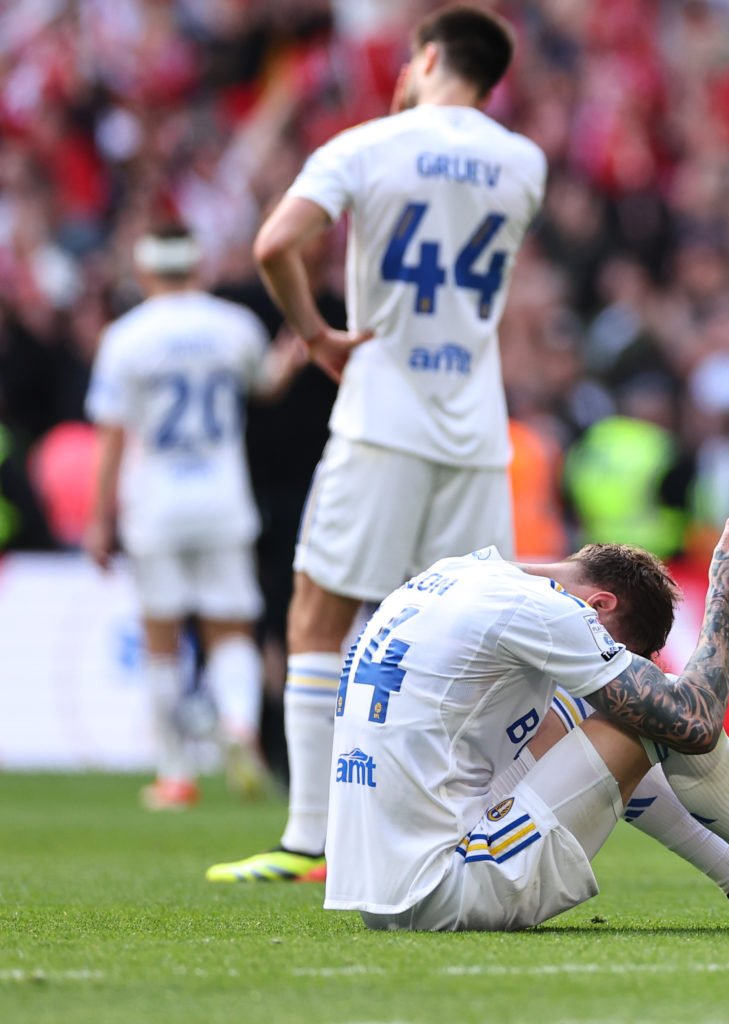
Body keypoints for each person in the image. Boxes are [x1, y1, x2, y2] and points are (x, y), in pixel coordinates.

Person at [208, 6, 546, 881]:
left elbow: (276, 242)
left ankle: (310, 841)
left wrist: (315, 331)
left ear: (427, 58)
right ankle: (475, 826)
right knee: (470, 632)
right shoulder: (524, 161)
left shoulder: (365, 145)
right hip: (474, 427)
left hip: (381, 417)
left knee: (319, 610)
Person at [324, 522, 729, 931]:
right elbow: (693, 724)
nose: (604, 656)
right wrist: (722, 598)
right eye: (611, 644)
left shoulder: (456, 576)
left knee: (592, 710)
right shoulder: (541, 609)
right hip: (448, 886)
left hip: (383, 891)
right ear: (599, 606)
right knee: (651, 717)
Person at [84, 223, 303, 810]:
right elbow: (266, 386)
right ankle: (238, 727)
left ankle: (175, 771)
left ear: (146, 268)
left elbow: (112, 433)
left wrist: (98, 515)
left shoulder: (126, 336)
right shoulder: (232, 326)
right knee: (229, 627)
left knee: (162, 635)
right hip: (222, 499)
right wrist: (289, 358)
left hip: (154, 499)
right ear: (196, 265)